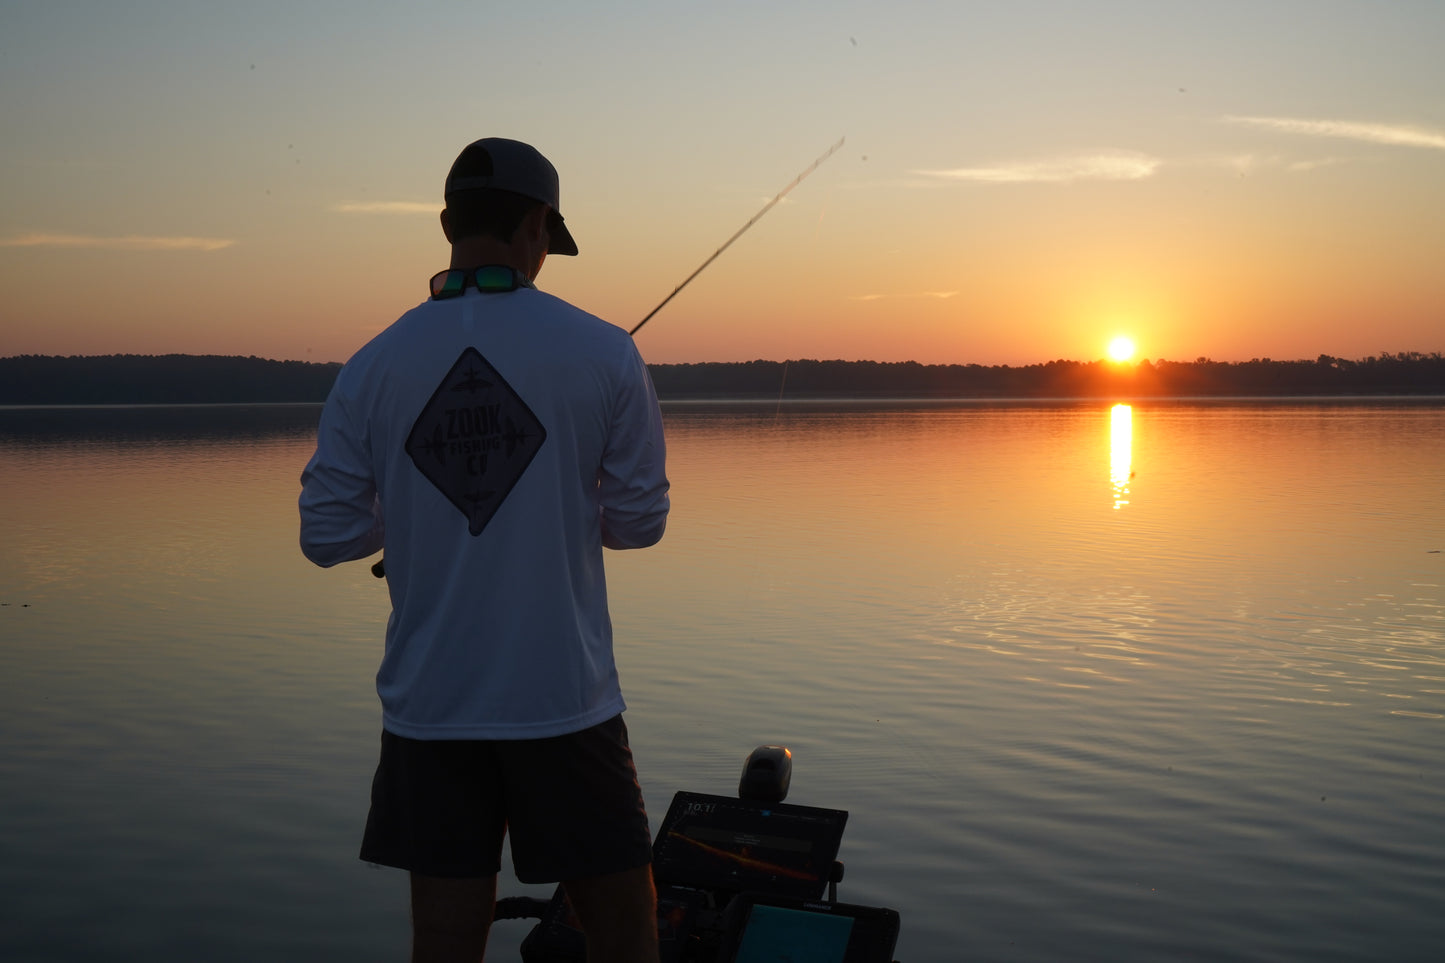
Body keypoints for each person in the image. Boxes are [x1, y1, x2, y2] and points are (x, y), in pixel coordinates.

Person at [299, 137, 669, 963]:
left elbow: (324, 536)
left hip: (430, 706)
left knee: (443, 939)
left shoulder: (370, 365)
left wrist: (411, 519)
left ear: (445, 224)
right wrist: (558, 512)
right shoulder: (604, 350)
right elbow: (640, 522)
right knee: (625, 931)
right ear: (538, 226)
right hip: (563, 700)